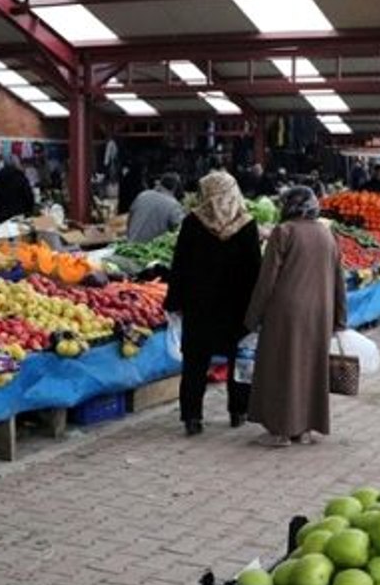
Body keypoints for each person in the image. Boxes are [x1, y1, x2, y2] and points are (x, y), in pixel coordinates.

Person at [244, 186, 347, 447]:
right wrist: (340, 318)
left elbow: (267, 279)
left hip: (286, 312)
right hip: (320, 312)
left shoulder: (284, 232)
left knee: (281, 367)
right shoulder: (327, 233)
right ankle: (303, 429)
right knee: (310, 368)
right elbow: (339, 280)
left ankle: (280, 431)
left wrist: (252, 316)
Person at [166, 171, 260, 436]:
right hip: (237, 306)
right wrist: (258, 309)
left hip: (200, 306)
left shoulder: (193, 223)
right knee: (237, 360)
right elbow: (255, 269)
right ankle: (238, 411)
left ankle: (192, 417)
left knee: (195, 362)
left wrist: (175, 301)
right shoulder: (246, 225)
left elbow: (180, 266)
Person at [126, 174, 186, 243]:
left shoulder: (143, 195)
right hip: (149, 249)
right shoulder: (173, 204)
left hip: (130, 243)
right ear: (175, 188)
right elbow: (181, 230)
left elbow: (130, 219)